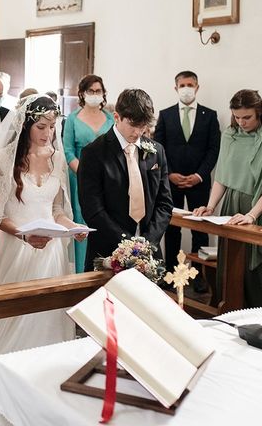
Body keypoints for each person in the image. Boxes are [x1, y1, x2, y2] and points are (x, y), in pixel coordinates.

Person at [0, 95, 86, 387]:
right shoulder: (3, 160)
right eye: (41, 126)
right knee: (12, 317)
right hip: (16, 248)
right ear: (26, 125)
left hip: (50, 252)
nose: (47, 133)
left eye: (52, 127)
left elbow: (56, 210)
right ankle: (8, 378)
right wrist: (24, 235)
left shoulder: (56, 157)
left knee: (47, 315)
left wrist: (71, 225)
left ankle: (44, 377)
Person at [79, 89, 173, 271]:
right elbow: (93, 210)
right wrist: (129, 245)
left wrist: (147, 243)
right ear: (117, 117)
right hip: (108, 249)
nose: (138, 132)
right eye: (133, 125)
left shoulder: (156, 150)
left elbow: (164, 203)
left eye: (143, 125)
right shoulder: (93, 153)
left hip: (149, 252)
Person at [193, 89, 262, 306]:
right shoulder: (229, 135)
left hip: (256, 207)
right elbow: (222, 176)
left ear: (259, 112)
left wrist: (251, 215)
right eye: (237, 117)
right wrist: (211, 206)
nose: (241, 122)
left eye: (247, 117)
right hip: (232, 205)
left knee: (254, 275)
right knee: (230, 268)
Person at [154, 71, 220, 292]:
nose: (186, 88)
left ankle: (201, 277)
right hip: (170, 182)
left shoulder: (210, 116)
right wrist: (169, 173)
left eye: (190, 84)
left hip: (199, 182)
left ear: (197, 87)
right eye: (182, 85)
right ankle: (172, 273)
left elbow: (213, 149)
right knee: (171, 229)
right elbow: (158, 148)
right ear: (175, 88)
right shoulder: (165, 115)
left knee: (200, 229)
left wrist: (199, 175)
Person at [63, 74, 114, 273]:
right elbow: (68, 151)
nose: (95, 94)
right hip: (79, 180)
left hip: (107, 182)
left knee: (104, 224)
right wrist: (85, 174)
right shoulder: (73, 119)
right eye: (90, 91)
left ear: (103, 94)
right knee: (82, 223)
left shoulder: (110, 119)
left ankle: (103, 270)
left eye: (98, 91)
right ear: (83, 94)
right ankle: (80, 272)